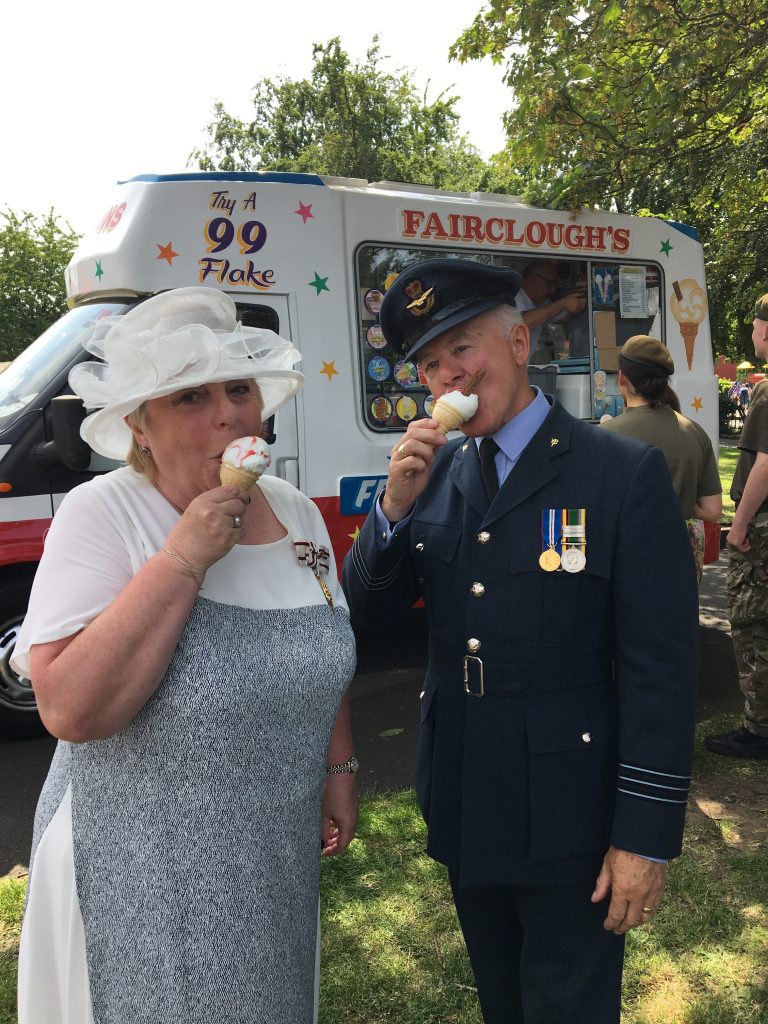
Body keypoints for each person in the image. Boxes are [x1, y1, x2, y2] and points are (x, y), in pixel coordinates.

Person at [343, 258, 699, 1024]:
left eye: (461, 349)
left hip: (573, 808)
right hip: (467, 789)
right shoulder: (435, 473)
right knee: (502, 1000)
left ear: (515, 342)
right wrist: (392, 509)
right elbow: (367, 615)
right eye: (430, 365)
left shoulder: (618, 473)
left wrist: (645, 835)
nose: (446, 377)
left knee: (567, 1002)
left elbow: (661, 670)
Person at [12, 287, 358, 1024]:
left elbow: (326, 651)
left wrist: (339, 767)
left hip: (267, 859)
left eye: (239, 389)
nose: (228, 415)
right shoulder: (101, 514)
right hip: (136, 870)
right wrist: (181, 560)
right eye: (190, 398)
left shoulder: (297, 512)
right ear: (139, 425)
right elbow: (69, 707)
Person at [600, 335, 722, 580]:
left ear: (622, 378)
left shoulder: (604, 436)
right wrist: (682, 501)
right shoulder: (695, 432)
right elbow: (712, 510)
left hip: (626, 557)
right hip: (679, 558)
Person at [706, 294, 768, 760]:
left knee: (751, 625)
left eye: (753, 326)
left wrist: (739, 526)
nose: (751, 334)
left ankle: (759, 729)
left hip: (762, 526)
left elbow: (764, 464)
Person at [514, 259, 586, 358]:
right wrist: (562, 303)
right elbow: (521, 322)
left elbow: (565, 316)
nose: (552, 290)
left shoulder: (541, 303)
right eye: (549, 283)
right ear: (534, 279)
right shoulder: (515, 296)